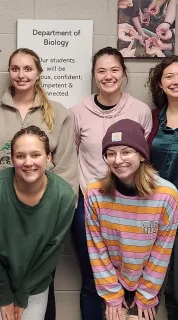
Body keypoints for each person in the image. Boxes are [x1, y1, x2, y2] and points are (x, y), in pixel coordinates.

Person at [0, 47, 78, 319]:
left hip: (41, 212)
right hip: (2, 210)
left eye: (28, 68)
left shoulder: (58, 112)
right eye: (15, 68)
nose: (21, 75)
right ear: (9, 73)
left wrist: (59, 213)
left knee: (38, 278)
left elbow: (66, 166)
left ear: (39, 73)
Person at [71, 47, 152, 320]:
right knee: (93, 278)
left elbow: (145, 159)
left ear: (124, 73)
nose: (108, 76)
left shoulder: (140, 111)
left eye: (114, 69)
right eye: (101, 71)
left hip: (132, 202)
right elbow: (71, 155)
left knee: (128, 278)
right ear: (94, 76)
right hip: (90, 203)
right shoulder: (78, 112)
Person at [0, 125, 75, 320]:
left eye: (36, 155)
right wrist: (5, 295)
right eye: (20, 156)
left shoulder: (64, 195)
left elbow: (52, 252)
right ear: (12, 159)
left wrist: (23, 293)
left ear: (48, 157)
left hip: (33, 278)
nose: (28, 162)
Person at [85, 119, 178, 320]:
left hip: (149, 276)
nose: (117, 160)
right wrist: (112, 295)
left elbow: (161, 252)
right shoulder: (95, 192)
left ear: (142, 155)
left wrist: (146, 295)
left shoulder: (166, 195)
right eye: (111, 154)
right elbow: (97, 249)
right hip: (111, 277)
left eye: (126, 152)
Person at [147, 55, 178, 320]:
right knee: (168, 298)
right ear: (160, 83)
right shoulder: (153, 118)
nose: (176, 81)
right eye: (169, 76)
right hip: (157, 218)